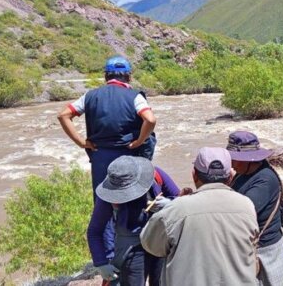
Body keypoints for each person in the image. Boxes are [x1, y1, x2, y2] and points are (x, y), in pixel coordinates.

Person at [58, 55, 157, 262]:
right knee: (132, 200)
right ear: (128, 76)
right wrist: (140, 140)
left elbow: (63, 115)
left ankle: (109, 258)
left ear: (106, 76)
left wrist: (80, 142)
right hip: (128, 157)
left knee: (103, 204)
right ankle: (134, 250)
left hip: (100, 157)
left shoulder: (90, 96)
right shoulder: (135, 97)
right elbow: (150, 119)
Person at [140, 147, 259, 285]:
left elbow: (150, 244)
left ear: (194, 175)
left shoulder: (176, 209)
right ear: (230, 177)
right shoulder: (247, 206)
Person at [87, 156, 179, 286]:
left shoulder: (156, 175)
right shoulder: (109, 191)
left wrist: (169, 204)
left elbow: (181, 199)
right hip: (132, 246)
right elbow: (94, 231)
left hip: (160, 239)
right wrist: (101, 263)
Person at [227, 131, 283, 286]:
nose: (232, 163)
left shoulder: (264, 179)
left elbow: (242, 212)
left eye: (235, 159)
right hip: (251, 247)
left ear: (248, 159)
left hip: (266, 251)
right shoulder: (243, 174)